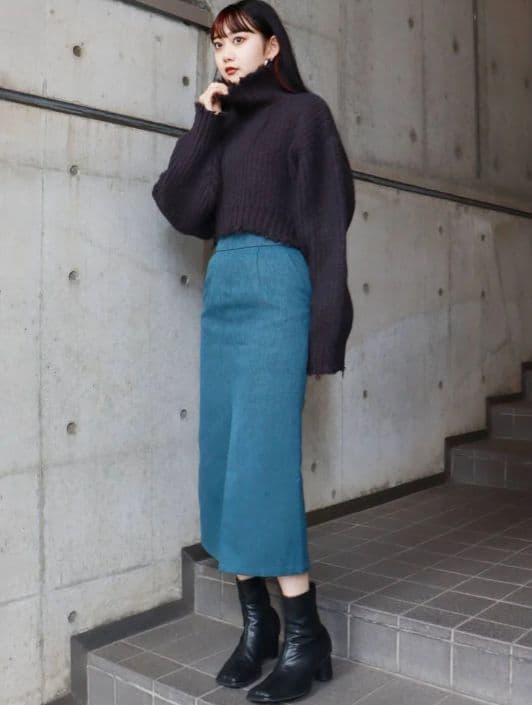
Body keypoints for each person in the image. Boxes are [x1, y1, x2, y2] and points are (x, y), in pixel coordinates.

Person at [151, 1, 355, 701]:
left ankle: (304, 632)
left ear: (272, 47)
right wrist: (204, 123)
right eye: (219, 43)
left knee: (262, 462)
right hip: (226, 287)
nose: (228, 52)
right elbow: (179, 205)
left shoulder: (305, 116)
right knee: (222, 459)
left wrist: (326, 330)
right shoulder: (224, 124)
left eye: (240, 39)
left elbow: (327, 225)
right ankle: (257, 626)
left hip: (277, 286)